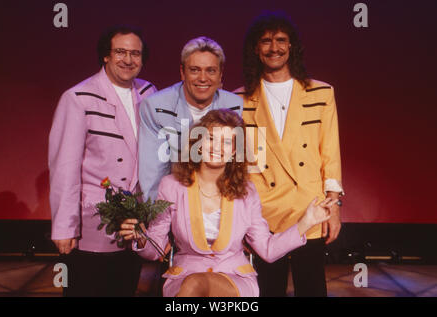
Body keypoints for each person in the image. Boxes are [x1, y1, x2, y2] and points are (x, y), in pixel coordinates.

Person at [119, 109, 337, 297]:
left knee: (197, 285)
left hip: (235, 279)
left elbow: (268, 250)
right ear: (199, 143)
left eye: (226, 142)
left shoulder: (247, 192)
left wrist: (306, 222)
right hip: (184, 276)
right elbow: (154, 249)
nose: (217, 147)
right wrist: (141, 238)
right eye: (211, 138)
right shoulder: (171, 186)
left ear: (234, 152)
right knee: (193, 284)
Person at [235, 11, 344, 297]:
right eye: (266, 41)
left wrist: (334, 209)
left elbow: (330, 155)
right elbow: (240, 165)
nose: (274, 48)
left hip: (310, 207)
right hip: (262, 213)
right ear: (255, 49)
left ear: (292, 46)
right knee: (267, 291)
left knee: (312, 289)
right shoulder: (238, 100)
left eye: (281, 40)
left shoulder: (321, 93)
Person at [48, 25, 157, 296]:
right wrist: (64, 226)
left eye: (135, 53)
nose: (128, 60)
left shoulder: (149, 93)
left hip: (134, 224)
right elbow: (65, 168)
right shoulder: (78, 98)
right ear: (105, 56)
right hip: (92, 225)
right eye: (120, 52)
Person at [138, 36, 243, 203]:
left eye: (211, 70)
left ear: (220, 74)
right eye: (194, 70)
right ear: (182, 72)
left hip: (222, 202)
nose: (203, 78)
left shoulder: (236, 106)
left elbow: (239, 167)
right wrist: (155, 217)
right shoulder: (155, 106)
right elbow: (152, 173)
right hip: (173, 202)